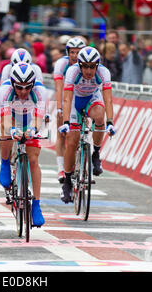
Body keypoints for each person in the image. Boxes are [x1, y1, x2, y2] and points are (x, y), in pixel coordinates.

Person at [58, 47, 116, 203]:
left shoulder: (104, 73)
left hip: (92, 98)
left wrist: (110, 122)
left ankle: (96, 153)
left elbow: (108, 99)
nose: (89, 70)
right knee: (72, 142)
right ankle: (68, 180)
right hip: (75, 102)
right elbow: (67, 100)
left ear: (97, 66)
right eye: (85, 66)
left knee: (100, 116)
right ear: (79, 65)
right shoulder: (72, 72)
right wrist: (66, 123)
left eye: (92, 66)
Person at [0, 62, 47, 227]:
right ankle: (5, 163)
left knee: (33, 160)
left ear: (33, 84)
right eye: (19, 87)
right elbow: (4, 118)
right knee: (5, 134)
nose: (24, 91)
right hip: (11, 118)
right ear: (12, 84)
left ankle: (37, 206)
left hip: (30, 120)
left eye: (27, 87)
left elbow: (39, 118)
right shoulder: (5, 91)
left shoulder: (40, 92)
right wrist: (11, 130)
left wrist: (33, 129)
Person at [52, 37, 86, 183]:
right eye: (72, 52)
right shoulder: (61, 64)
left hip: (82, 97)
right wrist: (59, 108)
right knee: (62, 134)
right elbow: (59, 88)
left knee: (83, 131)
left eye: (78, 52)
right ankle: (61, 168)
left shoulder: (88, 63)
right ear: (68, 52)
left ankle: (84, 157)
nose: (75, 55)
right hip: (66, 99)